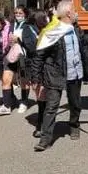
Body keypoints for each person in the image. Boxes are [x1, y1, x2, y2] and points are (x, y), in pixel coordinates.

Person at [33, 0, 86, 152]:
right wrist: (36, 77)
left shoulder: (75, 29)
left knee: (75, 103)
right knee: (51, 107)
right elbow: (40, 54)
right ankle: (45, 139)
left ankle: (74, 125)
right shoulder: (52, 31)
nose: (77, 13)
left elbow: (84, 43)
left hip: (75, 73)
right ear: (69, 13)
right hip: (55, 73)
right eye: (75, 10)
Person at [0, 6, 37, 116]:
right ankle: (6, 106)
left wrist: (19, 40)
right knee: (6, 78)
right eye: (16, 13)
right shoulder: (12, 25)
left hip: (23, 56)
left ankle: (24, 101)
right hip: (12, 55)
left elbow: (32, 43)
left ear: (25, 14)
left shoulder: (29, 26)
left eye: (20, 13)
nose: (18, 15)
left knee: (24, 81)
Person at [28, 10, 49, 139]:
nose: (48, 19)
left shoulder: (48, 30)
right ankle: (40, 125)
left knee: (45, 98)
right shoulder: (29, 31)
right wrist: (35, 77)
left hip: (48, 68)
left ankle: (44, 124)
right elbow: (33, 51)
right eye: (46, 17)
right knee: (41, 98)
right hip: (37, 68)